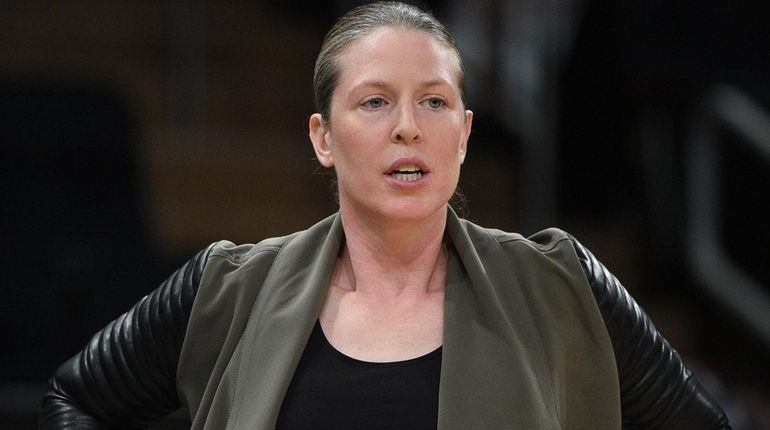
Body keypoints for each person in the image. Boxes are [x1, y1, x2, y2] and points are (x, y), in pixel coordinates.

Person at [39, 2, 730, 429]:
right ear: (322, 137)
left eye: (433, 102)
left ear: (462, 134)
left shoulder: (562, 284)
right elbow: (76, 398)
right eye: (375, 102)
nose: (408, 127)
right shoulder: (227, 287)